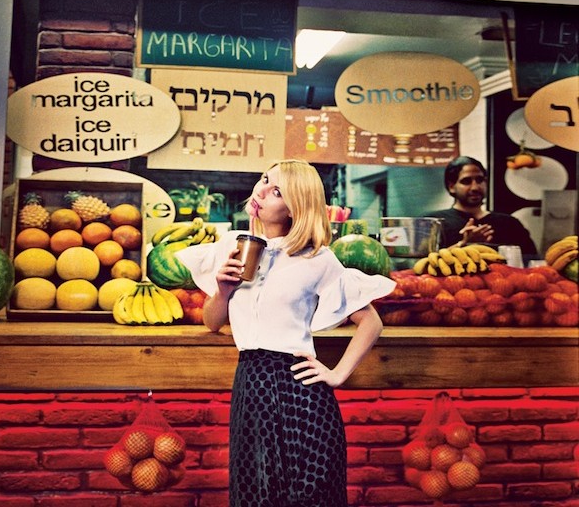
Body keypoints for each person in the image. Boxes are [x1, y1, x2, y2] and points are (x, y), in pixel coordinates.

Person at [176, 159, 395, 507]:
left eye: (277, 191)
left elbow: (371, 322)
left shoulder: (318, 259)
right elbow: (212, 322)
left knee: (309, 495)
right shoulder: (232, 246)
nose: (261, 191)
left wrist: (337, 374)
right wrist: (223, 291)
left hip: (300, 392)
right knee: (256, 492)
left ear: (295, 208)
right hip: (251, 384)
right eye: (265, 179)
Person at [424, 156, 538, 255]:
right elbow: (423, 264)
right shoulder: (434, 223)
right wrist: (464, 244)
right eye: (466, 181)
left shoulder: (510, 224)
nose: (475, 187)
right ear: (451, 187)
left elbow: (530, 262)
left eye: (480, 180)